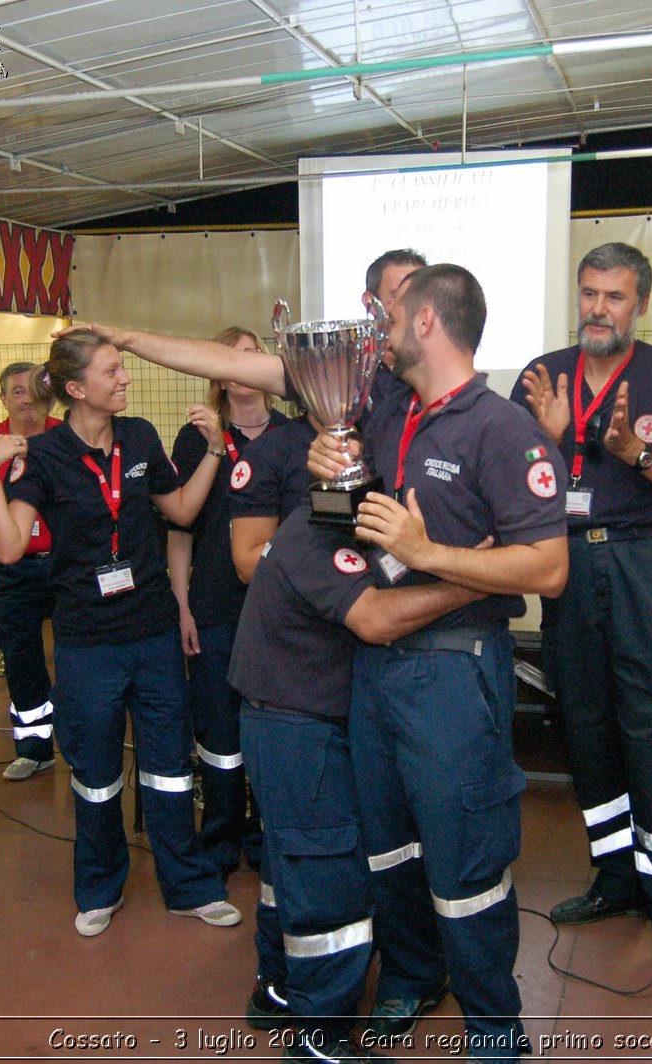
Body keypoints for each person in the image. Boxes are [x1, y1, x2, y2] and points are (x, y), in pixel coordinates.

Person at [310, 263, 569, 1061]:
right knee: (388, 846)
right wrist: (332, 475)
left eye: (392, 314)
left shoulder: (502, 429)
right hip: (378, 664)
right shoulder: (396, 416)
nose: (380, 329)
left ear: (427, 321)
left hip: (456, 673)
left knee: (465, 860)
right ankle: (413, 977)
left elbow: (548, 568)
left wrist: (431, 552)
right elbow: (356, 517)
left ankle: (494, 1026)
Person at [509, 242, 652, 987]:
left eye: (616, 296)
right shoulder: (543, 376)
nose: (599, 308)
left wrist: (633, 452)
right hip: (566, 565)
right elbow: (511, 479)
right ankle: (615, 877)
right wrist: (549, 437)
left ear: (641, 305)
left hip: (638, 559)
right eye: (590, 293)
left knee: (651, 728)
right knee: (587, 727)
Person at [0, 329, 239, 935]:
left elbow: (181, 513)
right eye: (112, 371)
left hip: (152, 633)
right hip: (87, 641)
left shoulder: (141, 436)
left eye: (122, 369)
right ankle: (98, 887)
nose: (125, 378)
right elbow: (11, 547)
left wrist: (216, 451)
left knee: (170, 766)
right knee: (94, 774)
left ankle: (190, 885)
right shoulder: (42, 456)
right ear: (75, 388)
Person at [231, 504, 486, 1063]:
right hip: (299, 726)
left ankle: (277, 988)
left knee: (289, 864)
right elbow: (375, 617)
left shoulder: (319, 522)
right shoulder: (319, 534)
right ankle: (319, 1040)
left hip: (282, 716)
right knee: (329, 885)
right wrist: (475, 582)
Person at [230, 250, 426, 581]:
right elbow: (248, 563)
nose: (340, 375)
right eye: (330, 362)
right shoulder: (272, 450)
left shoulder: (387, 425)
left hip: (383, 596)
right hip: (308, 610)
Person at [169, 327, 287, 874]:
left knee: (272, 726)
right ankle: (219, 838)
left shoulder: (296, 436)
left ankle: (267, 838)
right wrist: (182, 603)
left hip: (280, 609)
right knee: (219, 728)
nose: (242, 366)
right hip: (214, 603)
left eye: (252, 354)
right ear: (215, 374)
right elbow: (180, 529)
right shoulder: (196, 438)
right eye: (229, 357)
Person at [0, 362, 63, 781]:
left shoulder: (67, 438)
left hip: (66, 565)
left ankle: (83, 745)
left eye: (35, 390)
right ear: (3, 399)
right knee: (21, 658)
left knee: (79, 658)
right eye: (17, 391)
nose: (27, 399)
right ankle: (35, 749)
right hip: (13, 569)